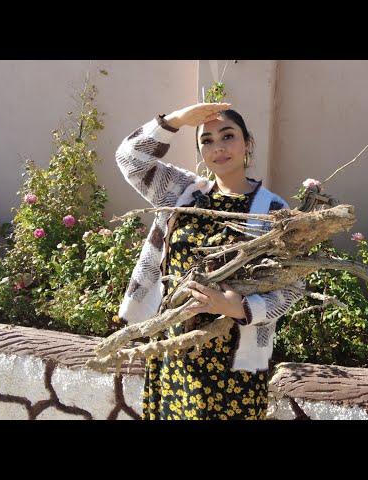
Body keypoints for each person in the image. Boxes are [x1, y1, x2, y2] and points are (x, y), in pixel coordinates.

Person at [115, 102, 303, 420]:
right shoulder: (182, 192)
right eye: (207, 140)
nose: (218, 147)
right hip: (173, 348)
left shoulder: (273, 210)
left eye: (228, 136)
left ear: (247, 143)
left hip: (234, 361)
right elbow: (130, 159)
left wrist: (238, 307)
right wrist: (174, 121)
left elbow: (293, 286)